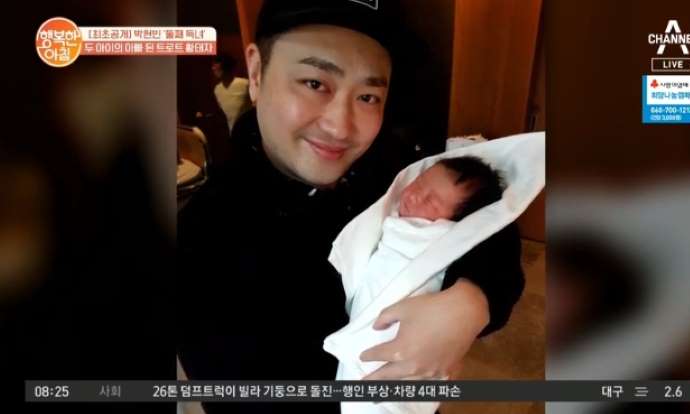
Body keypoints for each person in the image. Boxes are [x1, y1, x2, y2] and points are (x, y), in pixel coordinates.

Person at [178, 1, 524, 413]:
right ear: (256, 73)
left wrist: (470, 304)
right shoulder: (202, 239)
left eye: (367, 96)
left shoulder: (392, 166)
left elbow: (490, 221)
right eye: (314, 83)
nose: (340, 127)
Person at [326, 156, 504, 414]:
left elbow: (496, 232)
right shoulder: (393, 213)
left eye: (431, 200)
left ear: (455, 222)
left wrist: (472, 301)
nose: (413, 195)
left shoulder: (440, 237)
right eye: (418, 183)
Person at [211, 53, 251, 134]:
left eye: (216, 64)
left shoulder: (245, 84)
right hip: (234, 134)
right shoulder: (217, 90)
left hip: (251, 132)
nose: (213, 68)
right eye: (213, 65)